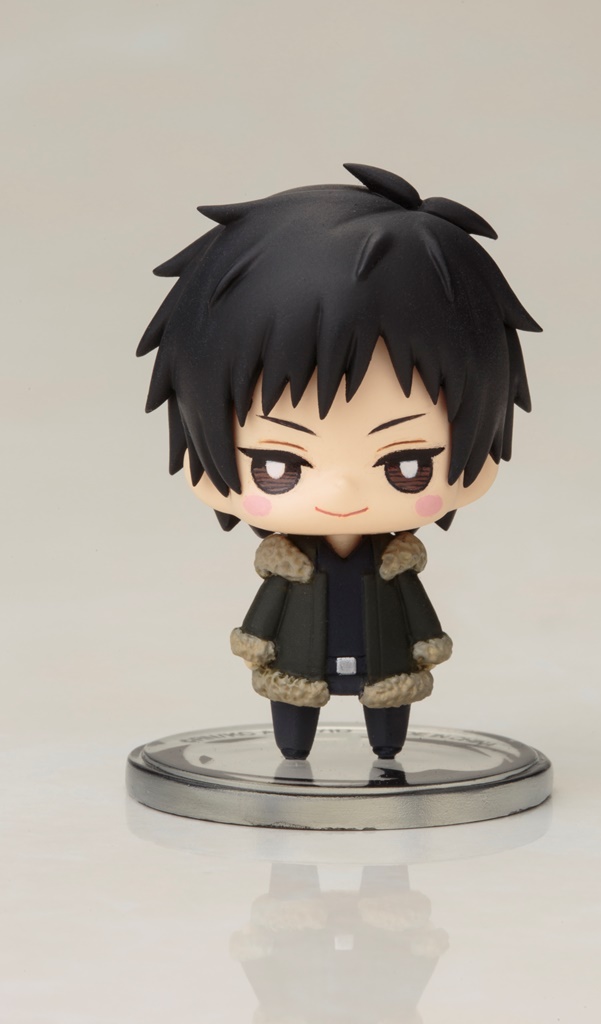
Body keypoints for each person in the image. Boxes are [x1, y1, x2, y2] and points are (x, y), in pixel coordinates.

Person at [137, 163, 541, 760]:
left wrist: (426, 641)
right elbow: (267, 613)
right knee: (293, 706)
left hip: (387, 663)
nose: (343, 490)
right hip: (299, 664)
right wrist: (257, 641)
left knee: (390, 706)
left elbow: (415, 611)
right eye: (278, 465)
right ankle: (294, 752)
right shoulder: (291, 566)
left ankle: (387, 750)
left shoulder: (396, 565)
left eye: (408, 465)